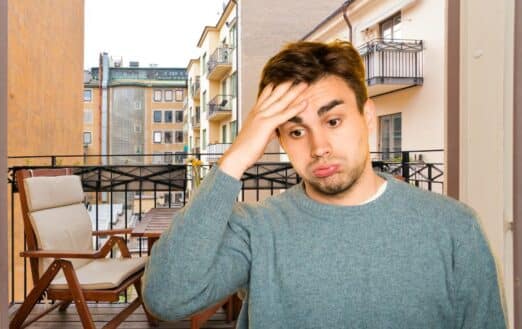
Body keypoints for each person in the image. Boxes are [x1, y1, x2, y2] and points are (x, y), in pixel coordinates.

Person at [142, 40, 507, 328]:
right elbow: (167, 298)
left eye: (333, 121)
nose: (319, 148)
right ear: (280, 142)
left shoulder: (455, 228)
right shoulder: (256, 227)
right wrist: (234, 159)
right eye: (296, 131)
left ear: (368, 119)